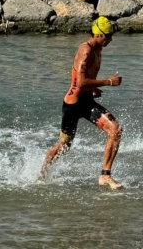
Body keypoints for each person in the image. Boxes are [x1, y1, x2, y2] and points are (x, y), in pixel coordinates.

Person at [40, 16, 123, 189]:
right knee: (64, 146)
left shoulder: (98, 49)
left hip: (86, 101)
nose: (110, 39)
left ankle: (105, 176)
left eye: (111, 35)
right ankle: (42, 173)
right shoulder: (85, 51)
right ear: (98, 34)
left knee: (115, 130)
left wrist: (93, 89)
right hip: (73, 104)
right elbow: (80, 82)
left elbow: (87, 81)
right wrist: (108, 82)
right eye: (107, 36)